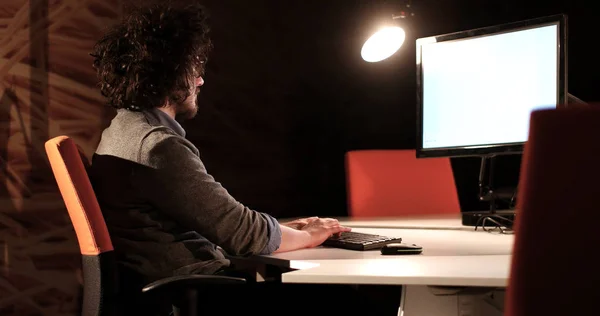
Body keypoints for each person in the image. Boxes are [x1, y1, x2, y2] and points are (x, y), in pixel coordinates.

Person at [88, 1, 400, 315]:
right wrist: (307, 236)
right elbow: (243, 235)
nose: (201, 81)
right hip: (197, 293)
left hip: (179, 287)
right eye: (195, 70)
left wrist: (288, 231)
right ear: (172, 74)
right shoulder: (156, 146)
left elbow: (226, 223)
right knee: (351, 302)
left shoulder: (120, 132)